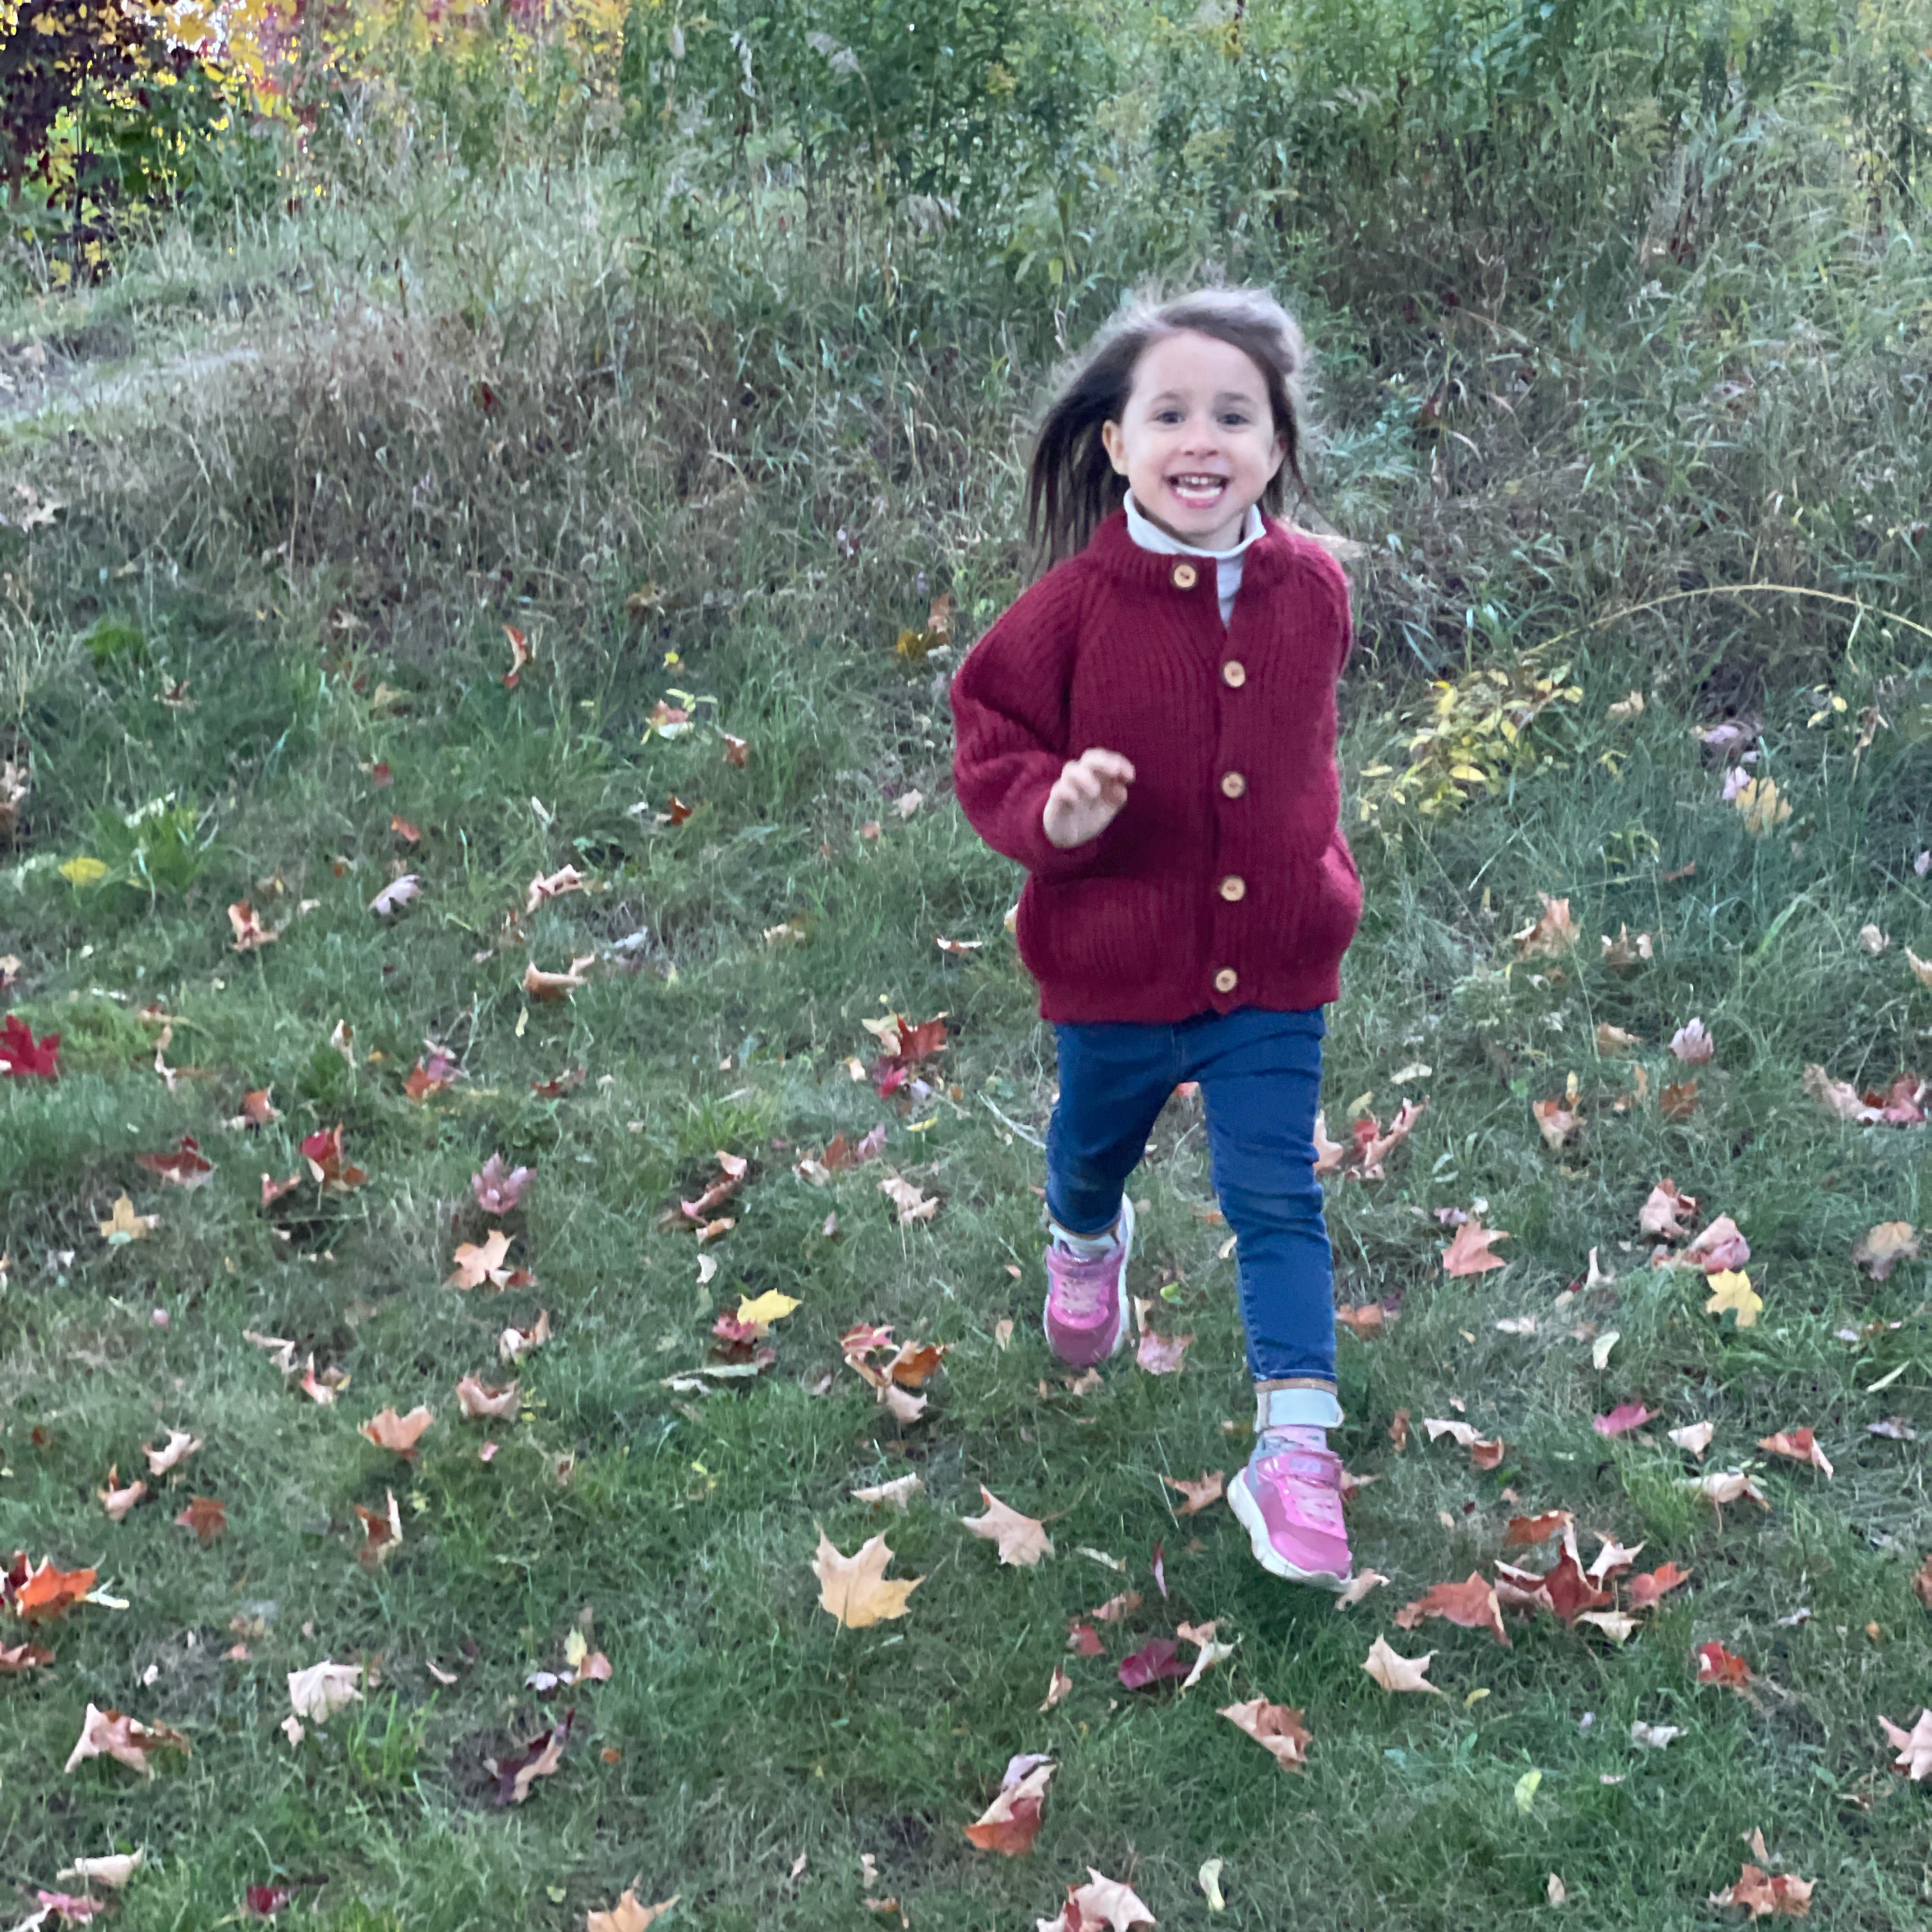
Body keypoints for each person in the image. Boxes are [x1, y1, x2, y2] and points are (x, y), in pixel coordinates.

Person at [949, 286, 1363, 1590]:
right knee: (1092, 1145)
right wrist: (1052, 812)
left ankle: (1296, 1449)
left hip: (1273, 977)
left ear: (1278, 446)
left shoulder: (1316, 593)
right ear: (1118, 443)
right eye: (1170, 412)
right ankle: (1086, 1239)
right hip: (1116, 969)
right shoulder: (1075, 607)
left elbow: (1300, 766)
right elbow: (990, 736)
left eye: (1234, 415)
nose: (1204, 437)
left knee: (1276, 1194)